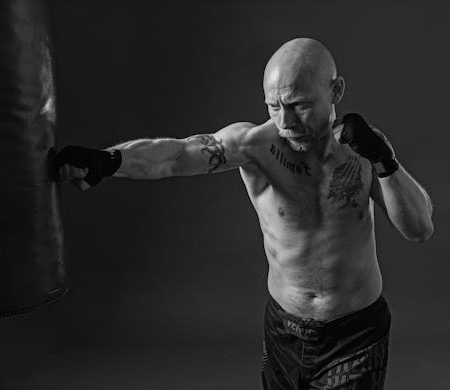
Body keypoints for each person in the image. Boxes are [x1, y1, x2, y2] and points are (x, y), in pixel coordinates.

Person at [55, 38, 434, 389]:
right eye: (274, 106)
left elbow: (419, 228)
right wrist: (108, 160)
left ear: (335, 91)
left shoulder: (364, 153)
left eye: (299, 104)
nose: (286, 122)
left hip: (355, 334)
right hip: (283, 330)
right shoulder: (255, 146)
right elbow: (175, 155)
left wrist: (385, 161)